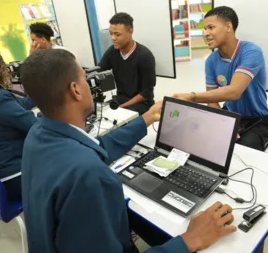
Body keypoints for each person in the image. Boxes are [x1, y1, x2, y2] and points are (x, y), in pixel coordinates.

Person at [21, 49, 236, 253]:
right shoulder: (88, 174)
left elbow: (96, 148)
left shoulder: (38, 134)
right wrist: (189, 241)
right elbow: (89, 162)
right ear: (75, 90)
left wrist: (146, 118)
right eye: (85, 79)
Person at [173, 6, 268, 151]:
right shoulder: (211, 60)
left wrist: (192, 97)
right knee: (200, 143)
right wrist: (224, 124)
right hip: (229, 115)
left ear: (228, 26)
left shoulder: (251, 52)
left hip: (257, 120)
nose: (206, 33)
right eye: (204, 29)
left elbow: (234, 92)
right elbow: (212, 100)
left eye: (211, 27)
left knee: (241, 153)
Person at [0, 47, 37, 200]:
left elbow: (17, 107)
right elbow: (35, 126)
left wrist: (42, 93)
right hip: (16, 177)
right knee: (72, 168)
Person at [99, 12, 156, 115]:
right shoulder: (112, 51)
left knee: (119, 121)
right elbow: (99, 69)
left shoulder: (145, 56)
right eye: (111, 34)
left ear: (130, 31)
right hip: (121, 99)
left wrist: (121, 107)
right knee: (101, 115)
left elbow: (146, 93)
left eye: (117, 34)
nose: (113, 38)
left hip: (142, 103)